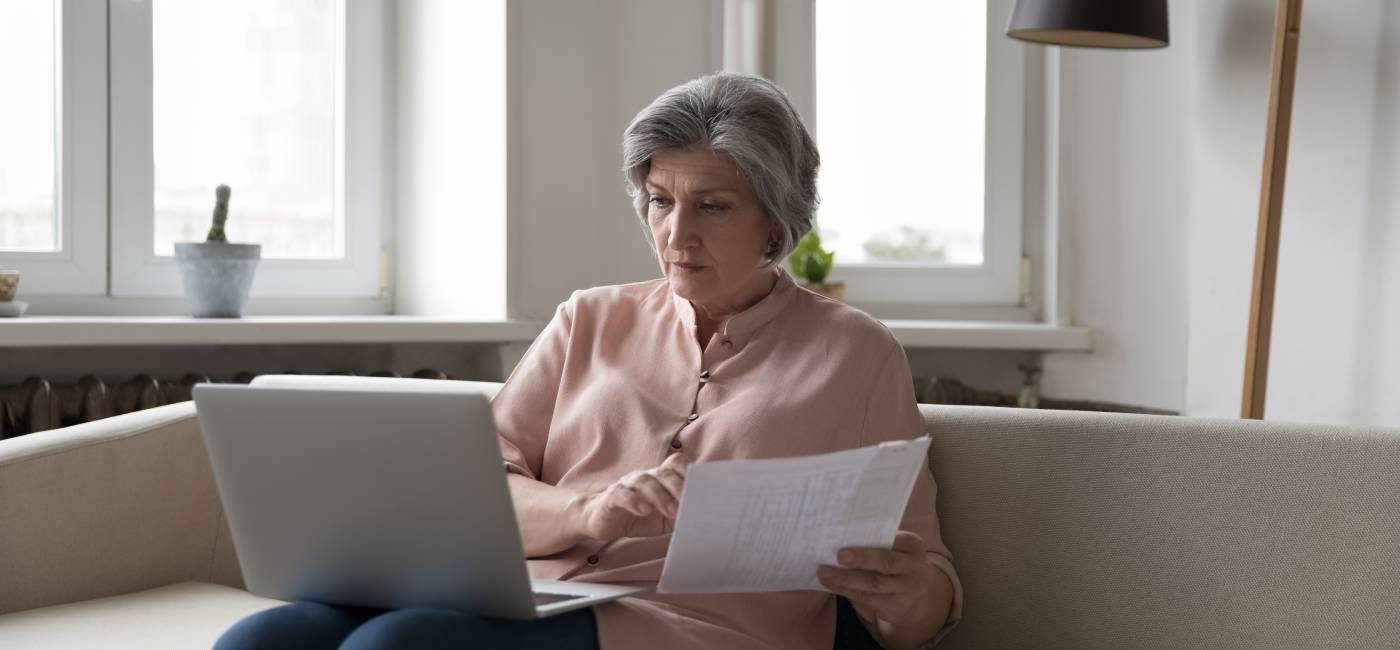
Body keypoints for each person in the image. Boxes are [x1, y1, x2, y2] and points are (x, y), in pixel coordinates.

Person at [215, 72, 961, 650]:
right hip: (539, 598)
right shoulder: (589, 318)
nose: (676, 234)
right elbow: (479, 485)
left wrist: (906, 599)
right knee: (265, 638)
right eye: (660, 201)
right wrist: (588, 512)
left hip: (699, 629)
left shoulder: (856, 353)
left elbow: (926, 587)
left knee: (398, 645)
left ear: (775, 217)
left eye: (713, 205)